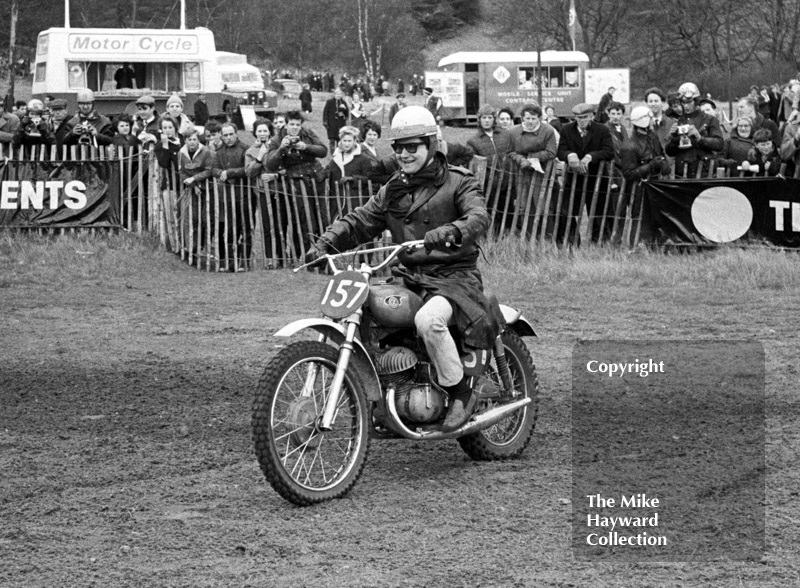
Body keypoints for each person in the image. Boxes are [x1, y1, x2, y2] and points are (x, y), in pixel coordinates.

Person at [310, 105, 498, 432]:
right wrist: (328, 240)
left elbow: (478, 217)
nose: (405, 154)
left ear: (431, 144)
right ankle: (384, 395)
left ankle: (460, 392)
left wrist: (451, 231)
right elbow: (361, 220)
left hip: (453, 279)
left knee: (429, 319)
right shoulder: (394, 188)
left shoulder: (458, 182)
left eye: (413, 146)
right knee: (368, 306)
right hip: (410, 278)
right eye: (399, 147)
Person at [266, 110, 328, 257]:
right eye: (291, 124)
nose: (294, 127)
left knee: (323, 218)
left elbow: (323, 151)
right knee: (307, 220)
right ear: (286, 125)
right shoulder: (277, 139)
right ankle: (309, 256)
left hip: (316, 179)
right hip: (297, 183)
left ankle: (325, 253)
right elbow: (270, 164)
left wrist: (305, 147)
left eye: (297, 125)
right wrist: (281, 148)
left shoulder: (307, 133)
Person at [555, 103, 615, 244]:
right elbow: (561, 151)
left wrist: (591, 156)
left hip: (597, 179)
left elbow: (609, 151)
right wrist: (570, 155)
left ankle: (599, 242)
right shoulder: (566, 130)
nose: (581, 120)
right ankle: (571, 242)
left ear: (592, 116)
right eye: (578, 118)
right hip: (574, 179)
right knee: (567, 211)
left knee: (599, 212)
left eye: (584, 117)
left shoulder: (602, 130)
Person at [620, 106, 671, 246]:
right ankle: (636, 246)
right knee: (639, 216)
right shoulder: (629, 146)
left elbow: (660, 153)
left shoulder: (652, 137)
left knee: (657, 215)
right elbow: (629, 173)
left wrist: (663, 164)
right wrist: (650, 165)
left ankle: (656, 245)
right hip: (639, 188)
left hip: (655, 184)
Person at [212, 122, 253, 271]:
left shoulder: (245, 149)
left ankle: (244, 261)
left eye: (231, 134)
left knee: (245, 228)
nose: (228, 138)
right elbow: (214, 168)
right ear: (221, 136)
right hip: (227, 197)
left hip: (244, 195)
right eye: (225, 135)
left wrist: (230, 173)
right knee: (229, 229)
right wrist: (220, 174)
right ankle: (230, 261)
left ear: (236, 134)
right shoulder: (219, 151)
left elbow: (247, 169)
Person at [664, 82, 724, 178]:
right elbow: (669, 152)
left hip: (704, 172)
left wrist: (700, 138)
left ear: (696, 101)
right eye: (683, 103)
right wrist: (673, 138)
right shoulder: (678, 121)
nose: (686, 106)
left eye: (689, 102)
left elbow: (719, 144)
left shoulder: (710, 119)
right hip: (682, 173)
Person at [179, 127, 215, 257]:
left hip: (208, 189)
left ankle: (207, 247)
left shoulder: (206, 152)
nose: (192, 142)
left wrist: (194, 178)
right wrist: (194, 185)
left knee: (207, 219)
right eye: (189, 140)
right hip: (193, 189)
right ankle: (194, 248)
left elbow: (209, 170)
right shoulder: (182, 153)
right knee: (193, 218)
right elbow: (182, 171)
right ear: (185, 140)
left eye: (194, 139)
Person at [326, 125, 373, 196]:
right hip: (338, 198)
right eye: (344, 140)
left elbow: (368, 179)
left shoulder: (363, 158)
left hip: (356, 197)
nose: (346, 144)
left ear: (355, 141)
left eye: (349, 141)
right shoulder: (335, 157)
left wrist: (352, 178)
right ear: (340, 141)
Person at [359, 120, 397, 186]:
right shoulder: (360, 150)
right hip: (366, 185)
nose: (372, 137)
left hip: (379, 185)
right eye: (369, 134)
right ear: (364, 135)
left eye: (375, 135)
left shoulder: (378, 150)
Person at [322, 88, 350, 154]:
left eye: (340, 94)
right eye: (337, 94)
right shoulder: (329, 102)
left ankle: (339, 152)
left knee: (339, 139)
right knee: (332, 139)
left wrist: (345, 109)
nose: (338, 95)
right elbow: (325, 112)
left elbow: (347, 114)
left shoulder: (343, 102)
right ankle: (332, 153)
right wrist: (325, 121)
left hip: (340, 123)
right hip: (331, 123)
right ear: (334, 94)